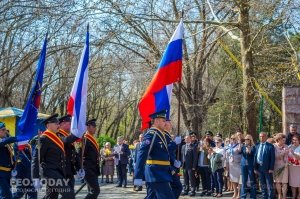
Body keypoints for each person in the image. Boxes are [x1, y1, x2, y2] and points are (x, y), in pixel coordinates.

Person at [31, 114, 76, 199]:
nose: (58, 125)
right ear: (48, 125)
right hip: (50, 173)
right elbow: (36, 159)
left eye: (58, 123)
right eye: (55, 123)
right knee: (69, 195)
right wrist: (35, 178)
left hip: (58, 172)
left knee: (51, 197)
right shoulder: (44, 139)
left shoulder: (56, 138)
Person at [134, 110, 175, 199]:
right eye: (163, 121)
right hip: (156, 174)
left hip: (161, 173)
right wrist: (138, 175)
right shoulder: (151, 135)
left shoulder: (161, 134)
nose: (165, 123)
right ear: (156, 121)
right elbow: (142, 155)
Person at [0, 122, 27, 199]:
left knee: (4, 194)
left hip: (7, 173)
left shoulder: (5, 142)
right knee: (7, 195)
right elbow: (6, 140)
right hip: (1, 174)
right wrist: (19, 137)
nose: (5, 131)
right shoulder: (3, 141)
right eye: (3, 129)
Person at [57, 115, 81, 195]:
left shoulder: (67, 136)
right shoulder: (58, 135)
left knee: (70, 194)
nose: (71, 125)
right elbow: (66, 141)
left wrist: (79, 168)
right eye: (69, 123)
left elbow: (74, 154)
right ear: (62, 124)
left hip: (69, 170)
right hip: (61, 171)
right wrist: (77, 133)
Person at [81, 119, 100, 199]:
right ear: (88, 127)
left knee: (92, 191)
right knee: (95, 190)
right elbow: (81, 154)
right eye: (94, 126)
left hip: (93, 168)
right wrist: (81, 168)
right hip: (88, 168)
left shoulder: (91, 139)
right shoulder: (85, 139)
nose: (95, 128)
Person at [254, 132, 275, 199]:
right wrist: (255, 168)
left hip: (267, 168)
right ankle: (264, 196)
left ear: (266, 137)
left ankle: (270, 197)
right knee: (262, 184)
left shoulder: (270, 146)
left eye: (263, 136)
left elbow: (272, 158)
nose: (261, 138)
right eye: (260, 136)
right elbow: (255, 157)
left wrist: (271, 168)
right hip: (259, 167)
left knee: (269, 184)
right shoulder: (257, 145)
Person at [164, 119, 182, 199]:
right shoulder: (163, 135)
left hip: (171, 165)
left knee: (177, 187)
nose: (171, 125)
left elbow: (170, 153)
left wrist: (174, 161)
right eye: (169, 123)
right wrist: (174, 143)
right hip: (166, 167)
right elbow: (165, 150)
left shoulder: (167, 135)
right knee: (177, 187)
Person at [239, 134, 256, 199]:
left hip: (250, 165)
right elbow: (240, 152)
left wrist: (249, 150)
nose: (246, 140)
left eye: (248, 139)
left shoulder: (254, 147)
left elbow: (253, 154)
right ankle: (243, 196)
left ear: (251, 140)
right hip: (243, 165)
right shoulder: (243, 146)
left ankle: (253, 196)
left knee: (252, 181)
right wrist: (240, 145)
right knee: (244, 181)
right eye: (245, 139)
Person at [273, 133, 289, 199]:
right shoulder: (273, 146)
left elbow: (288, 156)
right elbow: (275, 156)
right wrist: (283, 153)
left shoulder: (286, 146)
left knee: (284, 182)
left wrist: (286, 161)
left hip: (285, 166)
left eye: (284, 140)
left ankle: (284, 196)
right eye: (283, 140)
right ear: (278, 139)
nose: (284, 141)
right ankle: (279, 195)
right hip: (276, 166)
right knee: (277, 181)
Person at [227, 134, 242, 199]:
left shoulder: (239, 145)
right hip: (231, 164)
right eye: (232, 138)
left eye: (234, 138)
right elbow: (227, 155)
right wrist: (226, 165)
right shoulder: (229, 146)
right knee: (233, 179)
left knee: (239, 180)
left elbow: (240, 151)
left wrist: (239, 142)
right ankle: (235, 192)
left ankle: (239, 193)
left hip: (238, 164)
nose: (233, 140)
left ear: (236, 139)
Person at [288, 134, 300, 199]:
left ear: (299, 140)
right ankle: (293, 196)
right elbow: (287, 156)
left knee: (299, 183)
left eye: (296, 140)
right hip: (292, 167)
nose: (294, 141)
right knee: (292, 183)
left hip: (299, 168)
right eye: (293, 140)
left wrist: (293, 153)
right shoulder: (289, 146)